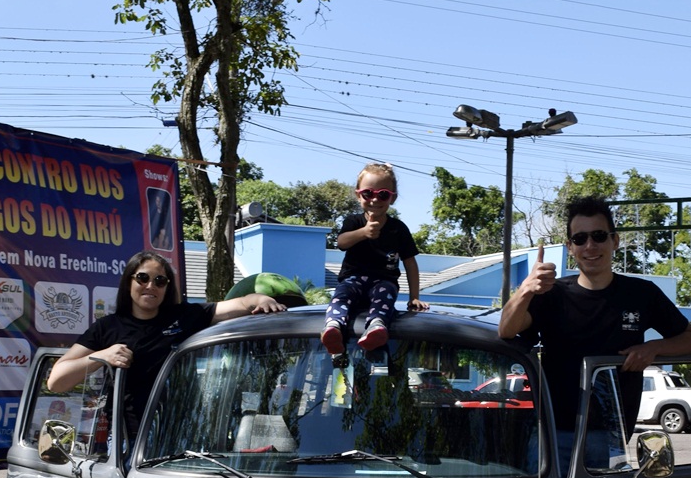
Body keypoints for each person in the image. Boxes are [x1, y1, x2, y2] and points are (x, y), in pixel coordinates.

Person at [498, 194, 691, 473]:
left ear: (614, 241)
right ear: (570, 247)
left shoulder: (642, 294)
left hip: (611, 436)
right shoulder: (551, 294)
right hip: (552, 431)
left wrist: (653, 348)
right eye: (580, 239)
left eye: (599, 236)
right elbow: (506, 329)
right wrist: (525, 289)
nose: (590, 246)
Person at [46, 251, 285, 415]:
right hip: (126, 441)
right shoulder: (107, 327)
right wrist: (102, 357)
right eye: (142, 278)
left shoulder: (185, 316)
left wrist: (260, 299)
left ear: (167, 287)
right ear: (129, 282)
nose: (151, 286)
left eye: (160, 281)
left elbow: (241, 303)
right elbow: (56, 381)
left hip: (177, 437)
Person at [321, 163, 425, 355]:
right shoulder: (353, 221)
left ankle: (376, 327)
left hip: (383, 281)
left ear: (393, 198)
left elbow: (410, 263)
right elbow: (342, 242)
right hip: (353, 279)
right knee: (341, 295)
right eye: (368, 193)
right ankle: (333, 327)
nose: (375, 199)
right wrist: (363, 232)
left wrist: (414, 297)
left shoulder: (398, 229)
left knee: (385, 294)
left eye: (383, 194)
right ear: (358, 195)